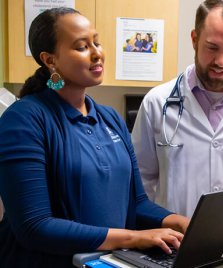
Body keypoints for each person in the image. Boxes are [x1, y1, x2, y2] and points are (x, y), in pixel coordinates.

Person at [0, 7, 189, 268]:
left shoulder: (110, 119)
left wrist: (178, 221)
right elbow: (34, 226)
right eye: (82, 46)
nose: (97, 53)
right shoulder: (24, 119)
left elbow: (137, 203)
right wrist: (133, 238)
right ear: (50, 60)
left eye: (96, 42)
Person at [132, 0, 223, 218]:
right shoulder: (156, 103)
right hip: (175, 244)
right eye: (212, 48)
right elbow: (140, 183)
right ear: (194, 39)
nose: (221, 61)